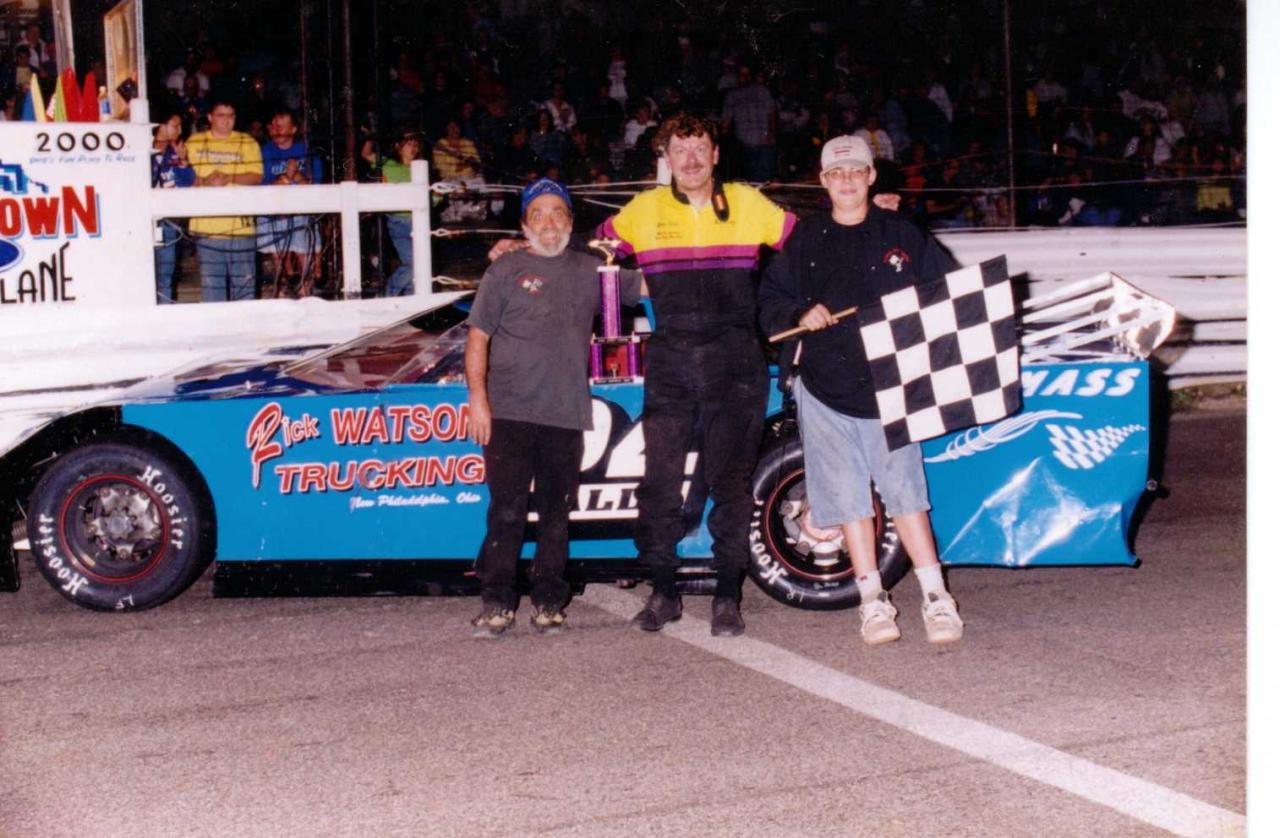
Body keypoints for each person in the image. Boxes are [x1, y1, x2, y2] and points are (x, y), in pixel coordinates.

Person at [758, 135, 965, 646]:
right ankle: (872, 601)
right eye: (836, 173)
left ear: (871, 177)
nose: (846, 180)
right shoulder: (806, 238)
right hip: (824, 389)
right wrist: (800, 313)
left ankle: (937, 597)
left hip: (890, 390)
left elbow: (950, 293)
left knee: (906, 495)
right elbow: (770, 300)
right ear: (823, 181)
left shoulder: (902, 233)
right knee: (848, 500)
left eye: (856, 171)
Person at [599, 113, 796, 637]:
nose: (690, 159)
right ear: (666, 158)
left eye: (699, 148)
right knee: (659, 481)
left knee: (731, 483)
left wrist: (870, 219)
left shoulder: (748, 203)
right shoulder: (644, 209)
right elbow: (590, 255)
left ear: (715, 154)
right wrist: (523, 251)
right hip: (672, 359)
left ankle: (728, 595)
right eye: (679, 150)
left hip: (736, 361)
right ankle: (663, 591)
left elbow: (808, 246)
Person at [465, 178, 643, 637]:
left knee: (555, 514)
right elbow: (477, 336)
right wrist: (478, 399)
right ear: (525, 224)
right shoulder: (505, 269)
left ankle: (548, 601)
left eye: (557, 213)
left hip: (566, 413)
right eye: (538, 214)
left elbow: (647, 285)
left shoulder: (592, 269)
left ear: (570, 221)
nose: (548, 223)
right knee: (506, 511)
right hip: (508, 412)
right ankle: (497, 602)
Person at [186, 100, 263, 301]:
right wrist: (206, 181)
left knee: (245, 289)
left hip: (241, 228)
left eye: (231, 116)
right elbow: (184, 176)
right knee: (212, 291)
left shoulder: (247, 141)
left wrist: (229, 178)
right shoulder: (193, 142)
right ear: (210, 117)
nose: (226, 120)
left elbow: (257, 176)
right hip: (206, 228)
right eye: (221, 115)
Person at [257, 110, 324, 292]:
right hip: (274, 210)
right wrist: (282, 179)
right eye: (273, 126)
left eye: (281, 127)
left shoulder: (307, 151)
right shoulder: (264, 151)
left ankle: (306, 289)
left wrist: (297, 176)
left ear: (293, 129)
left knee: (304, 247)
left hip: (301, 209)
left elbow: (316, 185)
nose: (276, 130)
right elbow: (260, 184)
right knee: (278, 251)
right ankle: (283, 286)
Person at [151, 111, 195, 304]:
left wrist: (183, 162)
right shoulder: (140, 150)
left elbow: (188, 183)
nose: (180, 130)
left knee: (165, 275)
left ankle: (164, 312)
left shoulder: (176, 151)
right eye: (175, 126)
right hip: (143, 222)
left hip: (168, 222)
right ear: (161, 126)